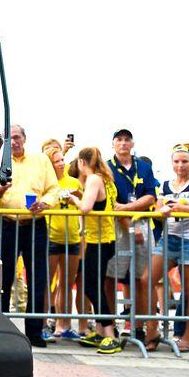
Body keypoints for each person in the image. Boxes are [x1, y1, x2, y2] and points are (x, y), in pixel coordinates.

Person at [0, 124, 58, 346]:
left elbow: (53, 189)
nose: (13, 142)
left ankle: (34, 332)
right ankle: (0, 329)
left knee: (37, 278)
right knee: (3, 278)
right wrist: (0, 190)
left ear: (25, 138)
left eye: (16, 137)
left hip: (35, 225)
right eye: (9, 138)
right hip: (7, 224)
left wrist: (45, 203)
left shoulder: (41, 161)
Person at [151, 144, 189, 352]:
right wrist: (162, 211)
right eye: (176, 161)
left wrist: (183, 208)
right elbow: (157, 209)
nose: (180, 165)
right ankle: (152, 331)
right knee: (145, 280)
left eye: (185, 161)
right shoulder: (165, 184)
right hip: (169, 238)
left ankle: (187, 338)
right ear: (171, 162)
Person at [65, 147, 122, 354]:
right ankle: (99, 331)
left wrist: (73, 199)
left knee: (91, 287)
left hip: (99, 240)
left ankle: (110, 334)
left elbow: (86, 208)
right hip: (105, 239)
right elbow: (100, 203)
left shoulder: (93, 179)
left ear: (82, 162)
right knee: (94, 285)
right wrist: (81, 195)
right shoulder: (106, 179)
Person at [105, 128, 157, 342]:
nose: (123, 143)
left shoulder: (143, 166)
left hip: (142, 223)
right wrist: (127, 223)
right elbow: (111, 202)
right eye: (119, 139)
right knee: (111, 276)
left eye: (127, 139)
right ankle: (109, 324)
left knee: (142, 277)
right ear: (113, 143)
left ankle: (139, 325)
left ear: (132, 144)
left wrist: (127, 207)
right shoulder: (107, 167)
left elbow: (150, 197)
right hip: (117, 226)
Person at [45, 147, 84, 340]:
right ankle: (43, 324)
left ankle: (65, 325)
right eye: (57, 161)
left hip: (72, 238)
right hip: (52, 237)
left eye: (62, 160)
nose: (62, 163)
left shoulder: (74, 182)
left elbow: (83, 202)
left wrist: (76, 197)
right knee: (47, 283)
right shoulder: (47, 182)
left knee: (67, 284)